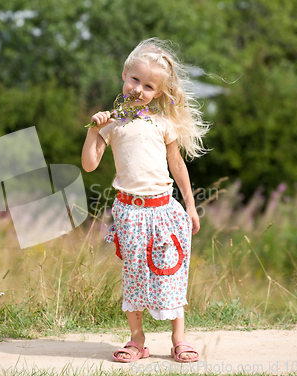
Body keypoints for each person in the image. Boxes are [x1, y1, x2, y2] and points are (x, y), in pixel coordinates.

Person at [81, 37, 209, 363]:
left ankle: (178, 337)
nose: (139, 89)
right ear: (125, 75)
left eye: (149, 86)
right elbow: (89, 164)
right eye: (135, 80)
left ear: (158, 93)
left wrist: (191, 206)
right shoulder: (111, 124)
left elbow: (177, 165)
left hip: (164, 209)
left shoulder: (162, 123)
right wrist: (93, 131)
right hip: (130, 212)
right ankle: (137, 340)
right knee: (135, 275)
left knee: (172, 271)